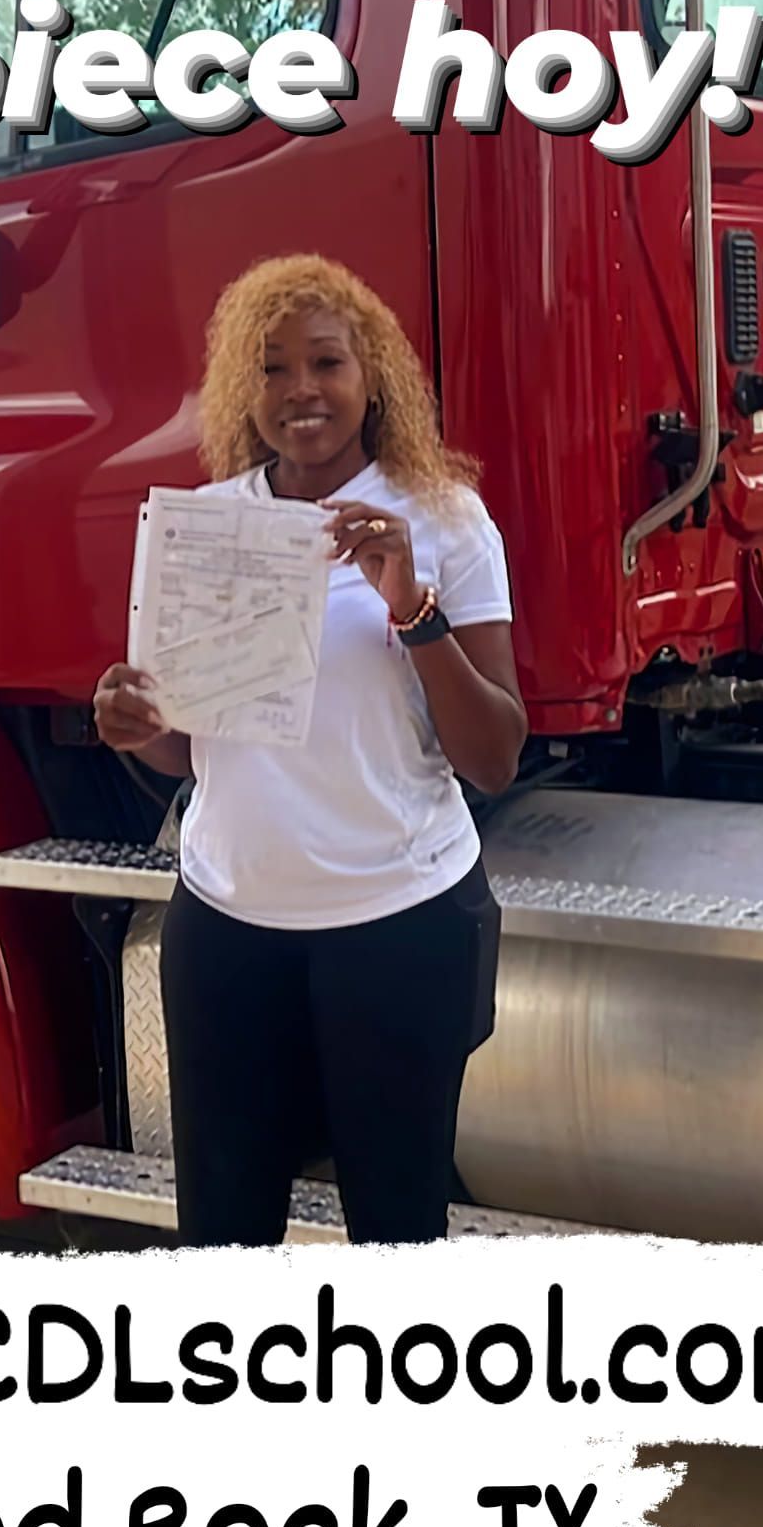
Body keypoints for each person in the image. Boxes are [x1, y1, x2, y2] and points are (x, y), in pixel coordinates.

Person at [93, 254, 527, 1247]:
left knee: (396, 1226)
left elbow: (495, 755)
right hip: (228, 928)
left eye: (325, 362)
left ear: (372, 376)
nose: (301, 391)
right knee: (224, 1227)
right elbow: (189, 752)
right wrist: (135, 721)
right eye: (273, 367)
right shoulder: (211, 530)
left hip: (396, 925)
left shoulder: (445, 521)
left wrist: (411, 606)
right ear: (245, 391)